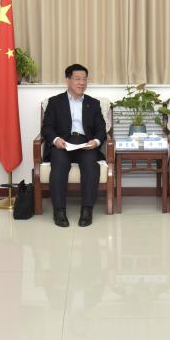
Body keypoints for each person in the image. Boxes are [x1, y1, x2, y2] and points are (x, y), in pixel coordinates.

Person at [42, 63, 107, 228]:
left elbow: (101, 129)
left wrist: (95, 142)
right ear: (68, 80)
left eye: (84, 79)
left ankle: (87, 210)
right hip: (63, 144)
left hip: (85, 144)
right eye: (77, 79)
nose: (82, 83)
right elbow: (47, 127)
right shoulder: (55, 102)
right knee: (59, 164)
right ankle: (59, 210)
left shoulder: (93, 103)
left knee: (91, 165)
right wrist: (56, 140)